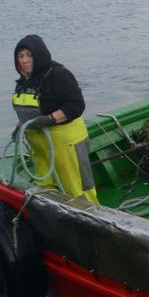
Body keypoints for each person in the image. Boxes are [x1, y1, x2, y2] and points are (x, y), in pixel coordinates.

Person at [12, 35, 98, 203]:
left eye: (29, 55)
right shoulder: (24, 82)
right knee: (45, 186)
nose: (24, 61)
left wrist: (50, 119)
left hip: (66, 143)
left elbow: (76, 105)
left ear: (39, 54)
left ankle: (91, 217)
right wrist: (19, 127)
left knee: (77, 188)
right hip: (40, 146)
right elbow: (27, 112)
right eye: (20, 56)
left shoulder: (59, 75)